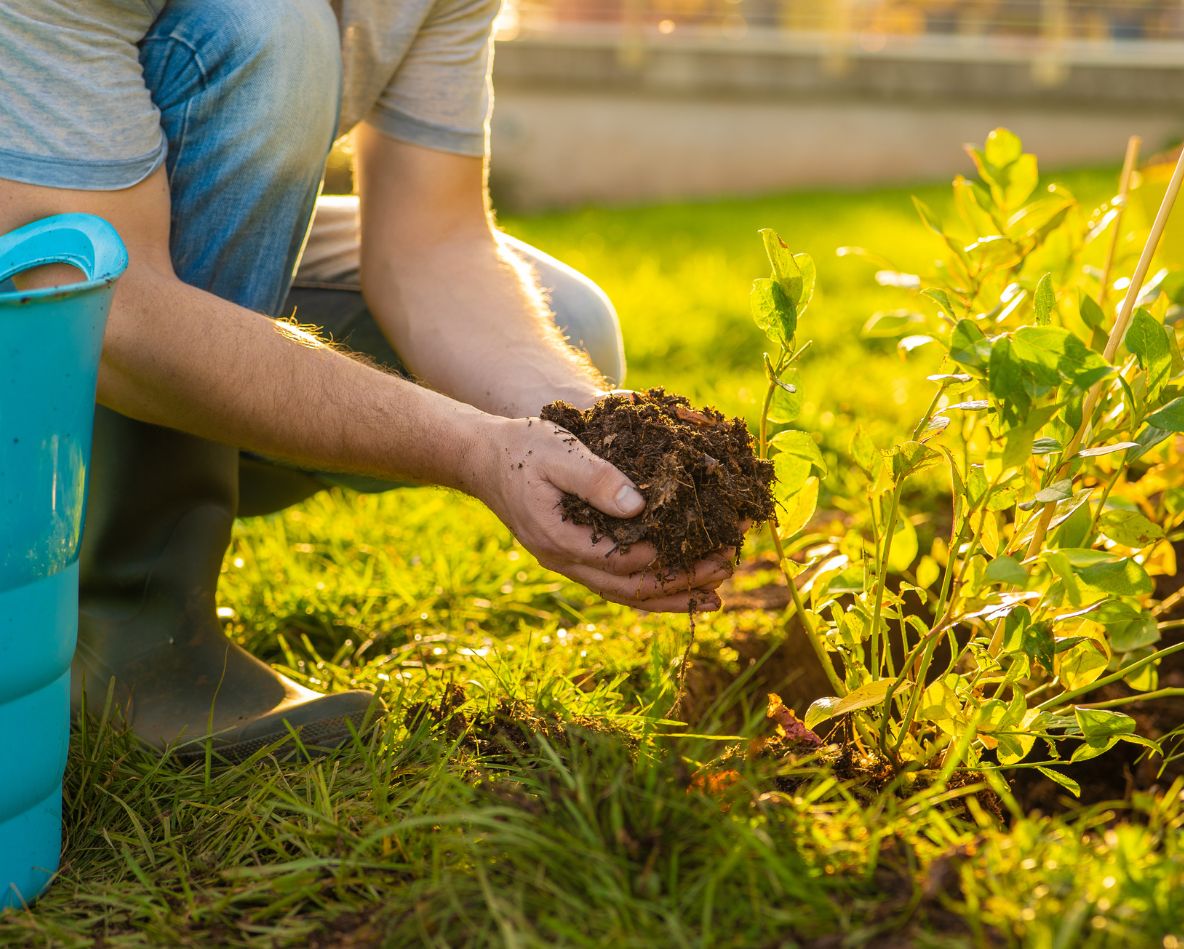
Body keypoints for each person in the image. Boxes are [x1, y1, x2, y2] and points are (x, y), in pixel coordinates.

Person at [0, 0, 735, 763]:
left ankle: (143, 502)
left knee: (570, 334)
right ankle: (129, 625)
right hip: (31, 257)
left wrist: (592, 429)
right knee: (267, 33)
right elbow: (96, 302)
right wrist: (470, 448)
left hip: (106, 227)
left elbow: (434, 244)